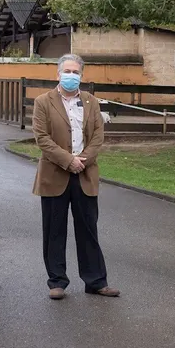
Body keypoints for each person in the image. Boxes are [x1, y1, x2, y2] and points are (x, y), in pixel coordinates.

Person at [31, 53, 119, 300]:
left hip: (85, 174)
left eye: (76, 72)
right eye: (67, 71)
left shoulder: (91, 102)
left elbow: (97, 137)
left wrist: (82, 161)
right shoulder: (43, 102)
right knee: (54, 230)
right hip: (54, 174)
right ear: (57, 74)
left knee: (88, 229)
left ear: (82, 75)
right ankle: (57, 281)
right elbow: (42, 138)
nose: (71, 76)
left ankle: (96, 281)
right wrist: (68, 160)